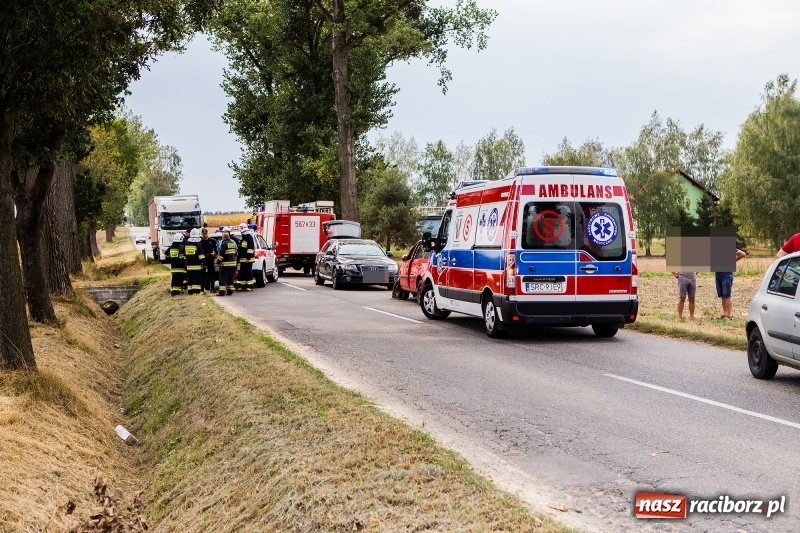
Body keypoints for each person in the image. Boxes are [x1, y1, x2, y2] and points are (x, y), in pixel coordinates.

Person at [716, 248, 747, 319]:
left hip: (726, 275)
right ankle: (725, 313)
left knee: (727, 295)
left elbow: (742, 254)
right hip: (718, 275)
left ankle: (729, 315)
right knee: (722, 295)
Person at [183, 228, 206, 295]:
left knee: (190, 278)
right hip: (197, 266)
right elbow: (201, 255)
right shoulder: (198, 244)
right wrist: (204, 263)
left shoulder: (186, 243)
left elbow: (184, 253)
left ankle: (190, 291)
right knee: (197, 279)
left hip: (189, 265)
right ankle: (196, 292)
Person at [216, 227, 238, 296]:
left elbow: (221, 255)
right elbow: (236, 253)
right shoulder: (233, 243)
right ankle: (230, 291)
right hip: (233, 264)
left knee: (223, 278)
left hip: (226, 265)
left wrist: (218, 261)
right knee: (230, 278)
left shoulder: (224, 244)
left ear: (223, 237)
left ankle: (222, 292)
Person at [236, 222, 256, 291]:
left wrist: (248, 258)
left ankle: (250, 286)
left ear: (243, 228)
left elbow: (250, 248)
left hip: (248, 260)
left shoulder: (249, 237)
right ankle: (243, 286)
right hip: (243, 259)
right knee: (242, 273)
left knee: (248, 273)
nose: (240, 230)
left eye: (240, 228)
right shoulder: (244, 237)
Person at [200, 228, 217, 292]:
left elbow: (216, 249)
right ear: (202, 234)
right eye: (203, 234)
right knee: (203, 274)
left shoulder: (212, 241)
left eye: (206, 233)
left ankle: (212, 287)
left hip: (210, 258)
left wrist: (214, 253)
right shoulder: (200, 242)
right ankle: (202, 289)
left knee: (212, 273)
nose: (205, 235)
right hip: (203, 259)